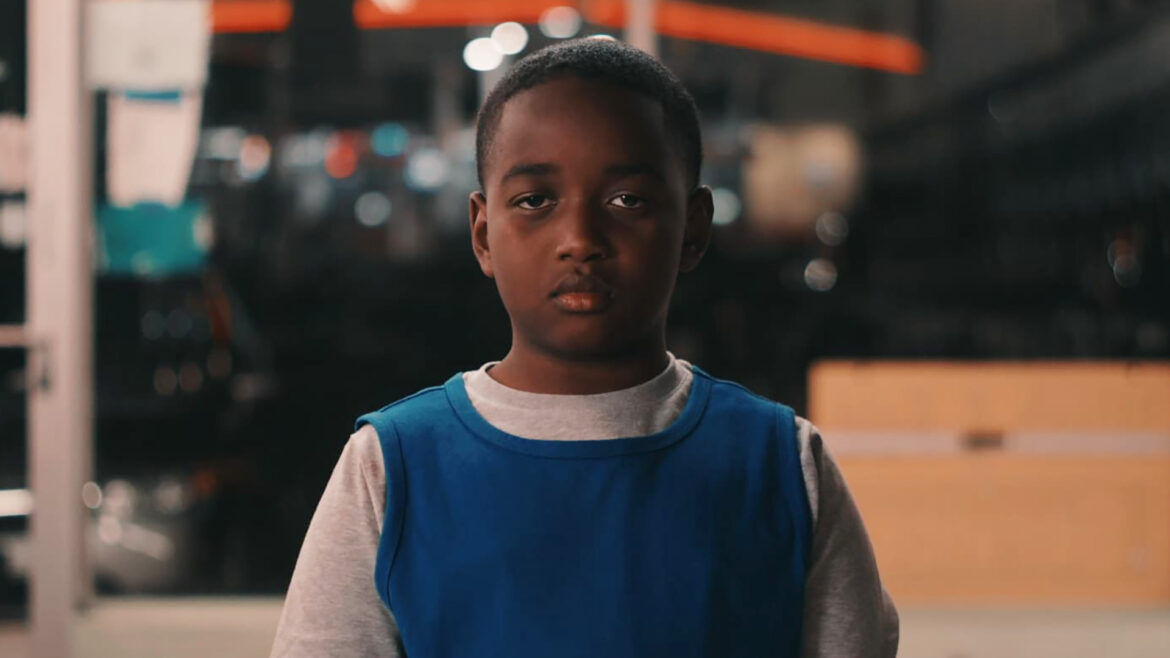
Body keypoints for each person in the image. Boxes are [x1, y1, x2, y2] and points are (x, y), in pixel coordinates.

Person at [271, 38, 897, 658]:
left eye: (628, 200)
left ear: (694, 229)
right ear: (484, 234)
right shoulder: (391, 468)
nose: (580, 238)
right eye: (535, 200)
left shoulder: (782, 466)